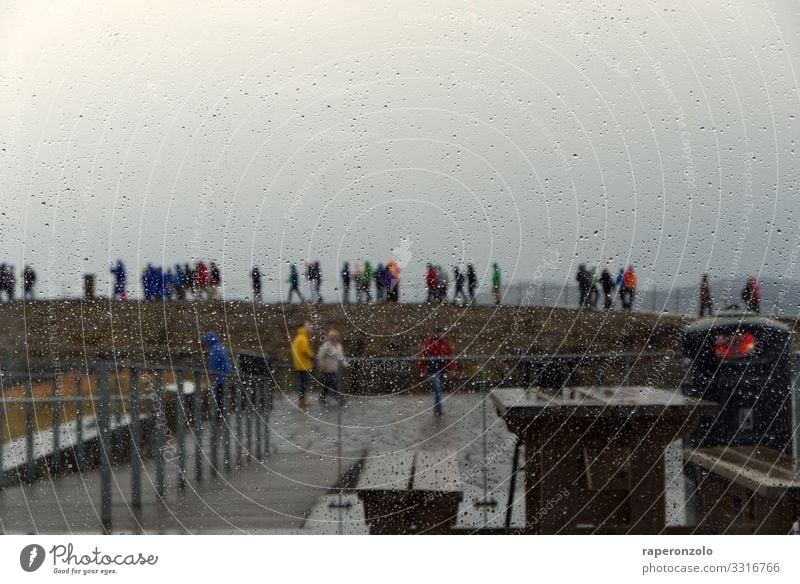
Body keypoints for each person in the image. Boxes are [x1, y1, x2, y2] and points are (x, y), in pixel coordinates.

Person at [418, 327, 456, 416]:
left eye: (439, 333)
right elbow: (424, 356)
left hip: (442, 369)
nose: (437, 334)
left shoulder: (444, 343)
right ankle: (438, 409)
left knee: (437, 390)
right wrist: (421, 369)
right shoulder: (429, 343)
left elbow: (450, 355)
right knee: (437, 388)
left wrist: (453, 366)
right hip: (432, 369)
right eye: (435, 332)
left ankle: (437, 408)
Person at [202, 332, 231, 421]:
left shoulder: (215, 349)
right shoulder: (219, 347)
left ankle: (218, 417)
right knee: (220, 396)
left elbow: (214, 363)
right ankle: (219, 415)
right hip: (222, 376)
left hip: (219, 377)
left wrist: (211, 373)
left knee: (219, 396)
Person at [316, 329, 347, 405]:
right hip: (327, 369)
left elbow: (341, 356)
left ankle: (323, 397)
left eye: (335, 336)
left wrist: (344, 363)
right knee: (333, 383)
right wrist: (322, 365)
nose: (333, 338)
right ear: (329, 337)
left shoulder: (339, 346)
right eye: (332, 336)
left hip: (335, 368)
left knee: (328, 384)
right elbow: (320, 356)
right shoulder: (326, 346)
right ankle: (338, 397)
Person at [291, 323, 315, 409]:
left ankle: (302, 399)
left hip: (299, 364)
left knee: (302, 383)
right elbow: (304, 350)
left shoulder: (298, 337)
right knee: (304, 383)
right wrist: (311, 356)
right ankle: (302, 400)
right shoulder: (303, 338)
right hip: (304, 364)